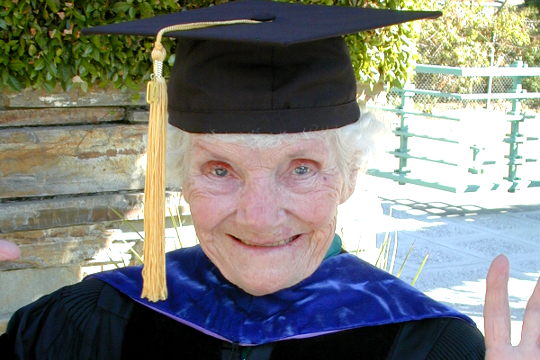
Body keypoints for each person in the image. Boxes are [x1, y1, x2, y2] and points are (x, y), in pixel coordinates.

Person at [1, 1, 539, 359]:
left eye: (301, 169)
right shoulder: (90, 323)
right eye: (220, 169)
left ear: (351, 173)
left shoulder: (430, 347)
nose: (259, 216)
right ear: (179, 174)